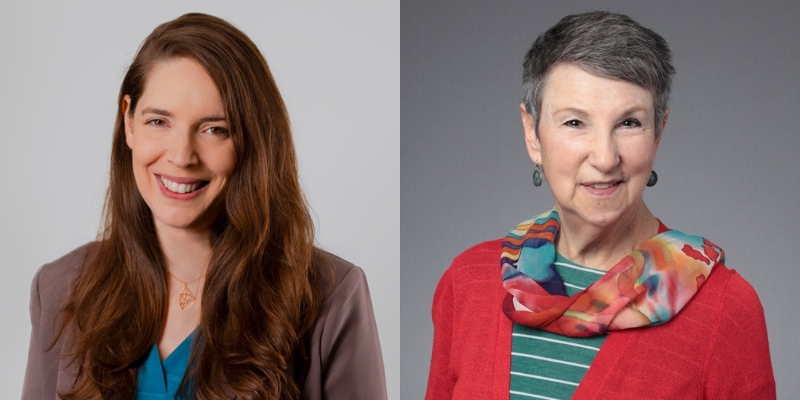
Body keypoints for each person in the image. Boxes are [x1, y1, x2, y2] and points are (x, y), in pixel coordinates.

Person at [22, 13, 386, 400]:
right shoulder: (59, 290)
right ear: (127, 120)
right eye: (159, 121)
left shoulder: (330, 297)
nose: (182, 156)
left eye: (215, 129)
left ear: (252, 141)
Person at [425, 11, 774, 400]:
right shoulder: (468, 283)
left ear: (659, 133)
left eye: (629, 123)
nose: (605, 158)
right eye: (575, 122)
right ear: (532, 134)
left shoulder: (726, 310)